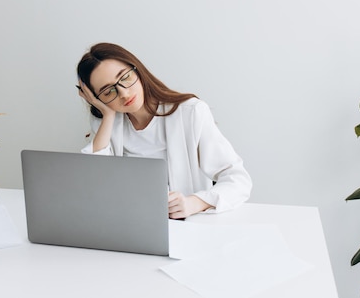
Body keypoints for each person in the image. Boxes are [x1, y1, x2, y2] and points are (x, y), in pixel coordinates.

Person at [76, 42, 252, 219]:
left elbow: (238, 180)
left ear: (137, 69)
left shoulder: (191, 112)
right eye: (108, 91)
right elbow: (94, 184)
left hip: (185, 227)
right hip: (128, 222)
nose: (124, 94)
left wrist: (194, 203)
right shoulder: (107, 123)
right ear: (97, 99)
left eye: (125, 77)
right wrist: (107, 115)